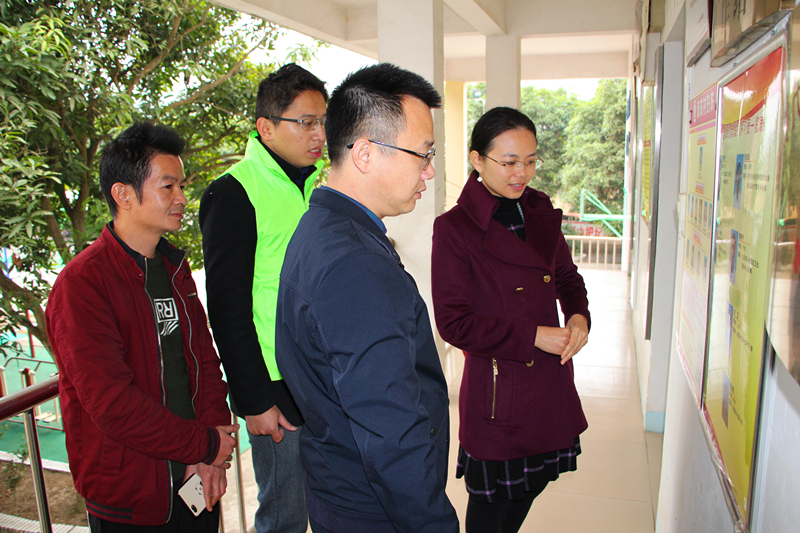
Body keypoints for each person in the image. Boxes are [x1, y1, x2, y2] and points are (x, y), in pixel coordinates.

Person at [275, 63, 459, 533]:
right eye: (423, 154)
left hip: (339, 482)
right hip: (374, 506)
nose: (430, 170)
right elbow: (390, 427)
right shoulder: (354, 264)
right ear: (364, 153)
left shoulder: (321, 226)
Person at [45, 123, 238, 532]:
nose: (182, 198)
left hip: (196, 479)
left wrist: (212, 453)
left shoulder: (173, 269)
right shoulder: (83, 284)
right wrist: (204, 444)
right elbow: (112, 404)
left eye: (182, 186)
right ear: (123, 194)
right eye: (168, 187)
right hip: (131, 496)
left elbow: (204, 362)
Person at [431, 106, 591, 533]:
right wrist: (533, 336)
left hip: (548, 382)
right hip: (499, 389)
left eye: (531, 161)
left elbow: (566, 277)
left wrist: (578, 317)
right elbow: (454, 323)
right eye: (509, 162)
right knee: (492, 506)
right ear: (477, 160)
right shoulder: (455, 228)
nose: (522, 173)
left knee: (529, 487)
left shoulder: (538, 209)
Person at [199, 63, 327, 533]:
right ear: (266, 127)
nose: (319, 134)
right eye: (306, 122)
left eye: (323, 122)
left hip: (323, 377)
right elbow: (227, 308)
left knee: (332, 503)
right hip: (276, 388)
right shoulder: (234, 192)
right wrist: (254, 399)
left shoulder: (316, 188)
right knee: (285, 516)